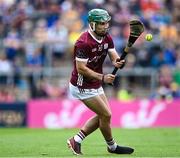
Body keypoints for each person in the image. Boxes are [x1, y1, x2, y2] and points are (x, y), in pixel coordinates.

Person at [67, 8, 134, 155]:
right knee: (106, 115)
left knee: (104, 115)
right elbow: (81, 69)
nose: (105, 26)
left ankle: (76, 139)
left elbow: (112, 54)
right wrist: (103, 77)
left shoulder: (106, 37)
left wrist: (117, 61)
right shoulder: (83, 42)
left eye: (106, 23)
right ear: (92, 24)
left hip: (95, 83)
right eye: (101, 23)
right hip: (81, 85)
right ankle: (112, 146)